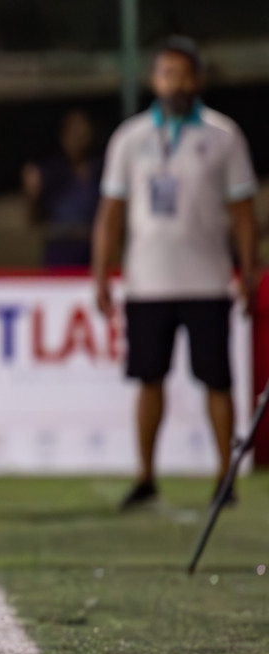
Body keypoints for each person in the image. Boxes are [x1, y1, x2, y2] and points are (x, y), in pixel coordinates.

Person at [92, 36, 258, 510]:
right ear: (154, 79)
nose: (176, 82)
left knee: (217, 381)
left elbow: (244, 211)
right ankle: (145, 476)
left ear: (198, 79)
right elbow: (111, 211)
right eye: (167, 73)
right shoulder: (131, 138)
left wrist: (248, 269)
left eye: (184, 74)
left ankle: (225, 478)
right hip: (147, 281)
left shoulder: (223, 136)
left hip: (207, 279)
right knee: (148, 379)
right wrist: (102, 271)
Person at [23, 109, 101, 270]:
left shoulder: (100, 171)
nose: (77, 138)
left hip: (92, 254)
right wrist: (32, 196)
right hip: (60, 255)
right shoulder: (50, 172)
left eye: (82, 132)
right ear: (63, 136)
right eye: (72, 132)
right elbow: (33, 219)